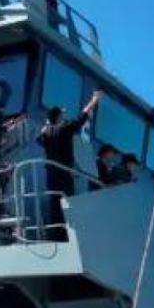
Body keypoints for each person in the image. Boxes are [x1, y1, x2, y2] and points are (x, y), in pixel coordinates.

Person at [37, 91, 102, 238]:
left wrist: (47, 125)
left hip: (51, 173)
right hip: (64, 172)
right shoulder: (64, 128)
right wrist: (94, 100)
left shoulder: (45, 132)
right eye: (62, 114)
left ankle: (54, 233)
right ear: (59, 117)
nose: (64, 116)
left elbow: (39, 140)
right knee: (67, 201)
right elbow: (81, 118)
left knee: (55, 202)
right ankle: (67, 234)